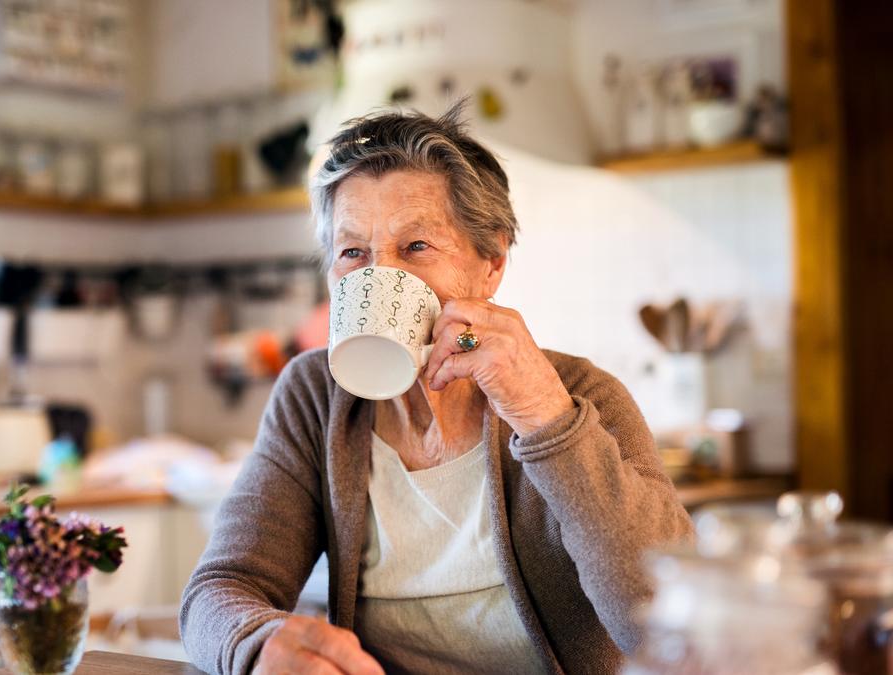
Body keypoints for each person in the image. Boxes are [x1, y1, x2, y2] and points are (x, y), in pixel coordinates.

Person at [180, 103, 694, 675]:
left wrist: (543, 414)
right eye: (353, 252)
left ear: (491, 263)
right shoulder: (315, 395)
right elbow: (222, 587)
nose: (380, 276)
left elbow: (670, 623)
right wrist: (259, 644)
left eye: (416, 247)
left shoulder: (580, 395)